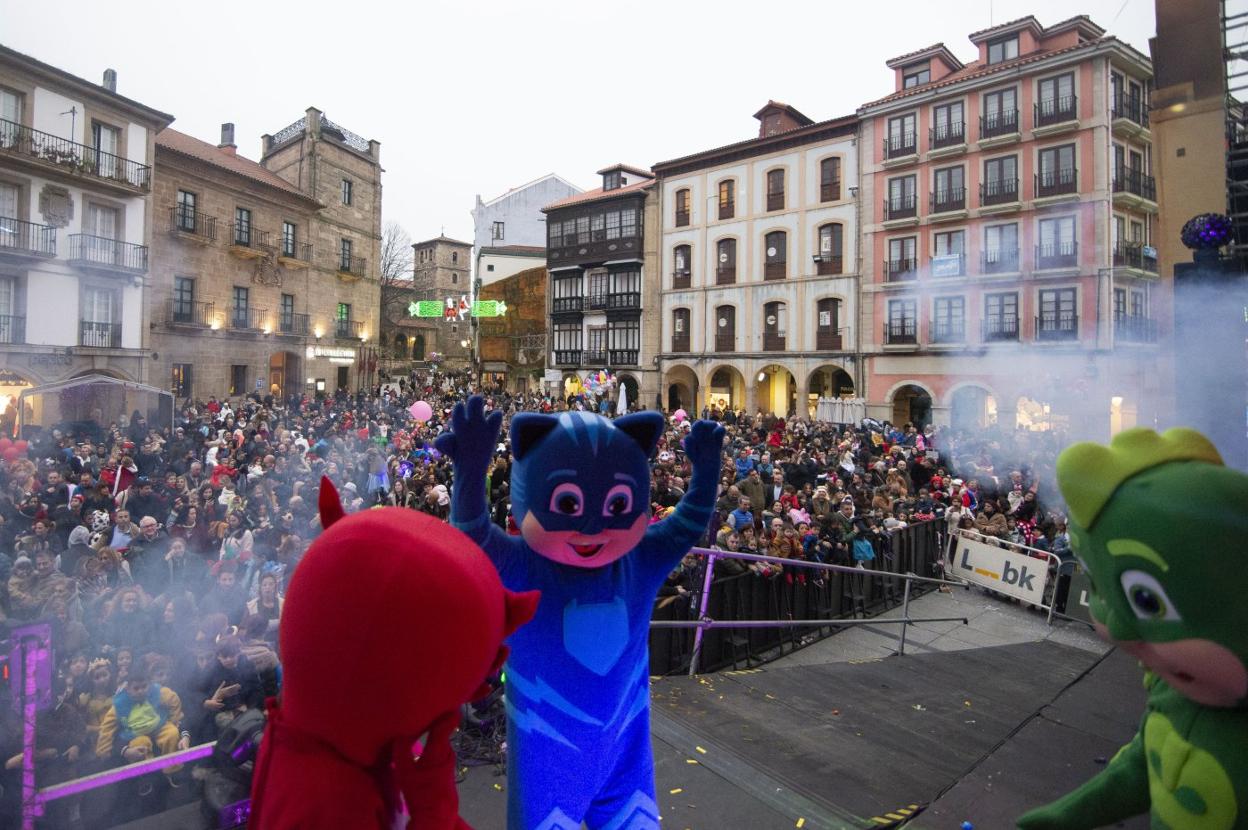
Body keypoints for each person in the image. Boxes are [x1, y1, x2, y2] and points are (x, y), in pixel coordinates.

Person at [95, 666, 190, 784]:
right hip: (135, 733)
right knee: (139, 745)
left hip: (159, 725)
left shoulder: (157, 692)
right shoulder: (120, 704)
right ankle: (146, 775)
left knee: (172, 734)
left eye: (144, 686)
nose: (140, 691)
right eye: (136, 688)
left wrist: (174, 720)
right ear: (128, 689)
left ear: (149, 684)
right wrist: (103, 749)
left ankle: (173, 769)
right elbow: (107, 726)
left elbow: (173, 699)